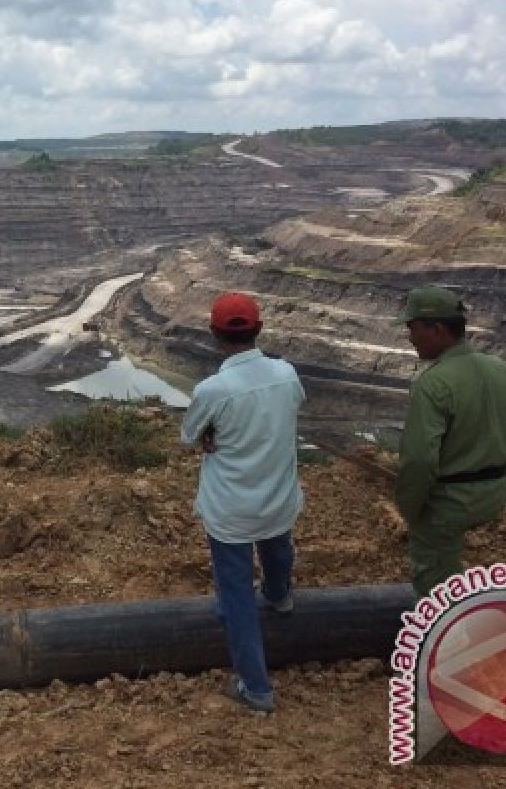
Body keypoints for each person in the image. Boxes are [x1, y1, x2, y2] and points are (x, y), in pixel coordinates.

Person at [181, 292, 305, 714]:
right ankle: (279, 596)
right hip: (278, 496)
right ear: (259, 330)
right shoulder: (286, 374)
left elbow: (189, 435)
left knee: (234, 595)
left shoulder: (212, 389)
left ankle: (257, 689)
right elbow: (290, 409)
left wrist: (211, 435)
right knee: (277, 546)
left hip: (231, 507)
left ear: (215, 335)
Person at [395, 285, 506, 597]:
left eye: (412, 328)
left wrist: (410, 510)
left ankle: (449, 634)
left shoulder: (433, 382)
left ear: (437, 328)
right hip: (494, 491)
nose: (409, 337)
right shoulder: (502, 369)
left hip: (452, 503)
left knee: (436, 585)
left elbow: (419, 460)